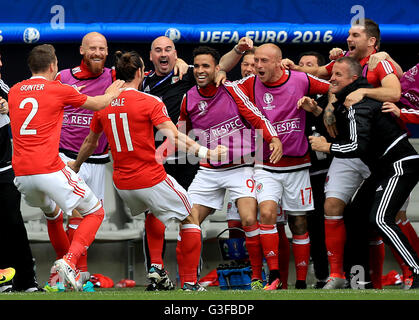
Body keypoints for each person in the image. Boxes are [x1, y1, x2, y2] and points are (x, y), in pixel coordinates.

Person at [68, 50, 227, 291]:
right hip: (150, 177)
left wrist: (76, 165)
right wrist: (208, 153)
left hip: (122, 183)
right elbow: (173, 136)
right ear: (141, 73)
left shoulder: (104, 102)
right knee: (190, 217)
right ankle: (190, 283)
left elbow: (91, 142)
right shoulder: (150, 101)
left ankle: (156, 269)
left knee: (154, 213)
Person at [282, 19, 401, 289]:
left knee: (379, 219)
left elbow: (395, 91)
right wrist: (292, 67)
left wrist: (361, 91)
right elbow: (321, 73)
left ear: (371, 41)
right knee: (333, 207)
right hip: (350, 150)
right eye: (348, 34)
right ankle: (336, 276)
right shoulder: (344, 61)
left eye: (355, 34)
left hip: (383, 151)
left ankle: (399, 276)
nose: (348, 38)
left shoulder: (379, 61)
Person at [7, 44, 124, 291]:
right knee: (95, 212)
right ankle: (69, 263)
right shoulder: (58, 89)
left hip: (22, 175)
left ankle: (58, 278)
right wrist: (112, 93)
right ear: (53, 66)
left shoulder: (15, 90)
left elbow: (37, 101)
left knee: (53, 215)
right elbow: (97, 103)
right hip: (48, 168)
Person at [140, 36, 252, 290]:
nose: (164, 54)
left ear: (176, 53)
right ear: (151, 55)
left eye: (169, 49)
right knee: (154, 214)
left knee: (190, 218)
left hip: (192, 156)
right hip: (160, 157)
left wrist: (237, 50)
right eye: (158, 50)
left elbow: (218, 65)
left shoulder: (191, 73)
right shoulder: (143, 82)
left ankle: (190, 277)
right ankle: (155, 272)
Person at [171, 45, 282, 290]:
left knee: (248, 218)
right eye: (197, 66)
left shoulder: (231, 90)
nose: (200, 70)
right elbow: (180, 136)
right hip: (208, 170)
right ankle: (189, 281)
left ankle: (255, 277)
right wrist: (201, 151)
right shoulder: (188, 98)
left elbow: (256, 117)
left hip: (240, 168)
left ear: (217, 68)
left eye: (206, 66)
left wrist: (273, 138)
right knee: (187, 220)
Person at [308, 56, 419, 290]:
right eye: (332, 74)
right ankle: (361, 282)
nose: (332, 79)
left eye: (338, 75)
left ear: (354, 78)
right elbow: (341, 130)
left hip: (399, 163)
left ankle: (415, 271)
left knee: (381, 218)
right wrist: (319, 111)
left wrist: (327, 147)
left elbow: (358, 146)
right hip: (381, 169)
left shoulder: (360, 99)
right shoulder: (347, 99)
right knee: (355, 215)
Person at [235, 43, 330, 289]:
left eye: (263, 61)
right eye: (256, 60)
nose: (257, 66)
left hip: (298, 166)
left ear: (279, 62)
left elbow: (335, 88)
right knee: (265, 213)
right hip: (266, 165)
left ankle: (300, 283)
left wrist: (319, 109)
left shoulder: (300, 79)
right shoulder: (250, 84)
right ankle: (274, 275)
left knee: (299, 223)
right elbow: (222, 83)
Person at [0, 53, 43, 293]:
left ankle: (26, 281)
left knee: (14, 224)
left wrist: (8, 106)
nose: (0, 63)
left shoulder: (4, 86)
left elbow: (17, 102)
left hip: (5, 168)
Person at [298, 51, 331, 289]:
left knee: (335, 223)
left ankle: (350, 274)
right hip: (301, 172)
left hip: (329, 171)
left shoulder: (330, 95)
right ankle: (321, 277)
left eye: (309, 65)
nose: (302, 68)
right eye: (300, 65)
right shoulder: (293, 94)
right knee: (314, 226)